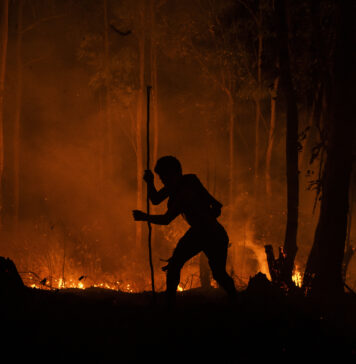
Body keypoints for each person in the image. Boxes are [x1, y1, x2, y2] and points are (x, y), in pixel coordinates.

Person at [132, 156, 236, 307]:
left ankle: (233, 299)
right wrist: (150, 182)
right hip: (204, 232)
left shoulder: (185, 190)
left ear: (174, 174)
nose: (162, 181)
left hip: (211, 234)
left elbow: (166, 219)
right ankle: (170, 303)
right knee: (178, 265)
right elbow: (155, 199)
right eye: (161, 178)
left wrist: (144, 217)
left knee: (217, 273)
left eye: (163, 177)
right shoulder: (178, 184)